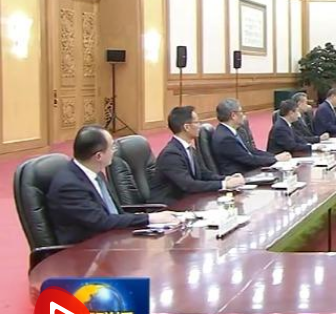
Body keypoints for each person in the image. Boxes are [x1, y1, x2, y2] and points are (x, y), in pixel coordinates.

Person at [46, 125, 180, 244]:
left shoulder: (96, 174)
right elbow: (100, 221)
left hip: (111, 239)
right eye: (112, 147)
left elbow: (112, 213)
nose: (114, 151)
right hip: (85, 250)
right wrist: (149, 218)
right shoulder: (69, 186)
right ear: (99, 156)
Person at [150, 106, 245, 205]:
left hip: (187, 200)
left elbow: (204, 174)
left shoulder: (190, 149)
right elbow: (189, 185)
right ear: (187, 127)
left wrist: (227, 179)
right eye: (197, 122)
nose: (200, 126)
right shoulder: (171, 155)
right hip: (168, 206)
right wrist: (224, 184)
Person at [213, 99, 291, 175]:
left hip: (247, 170)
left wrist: (274, 156)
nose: (243, 115)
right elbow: (248, 159)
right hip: (240, 175)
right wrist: (275, 159)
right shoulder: (225, 138)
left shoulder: (233, 131)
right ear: (233, 115)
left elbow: (252, 151)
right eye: (241, 112)